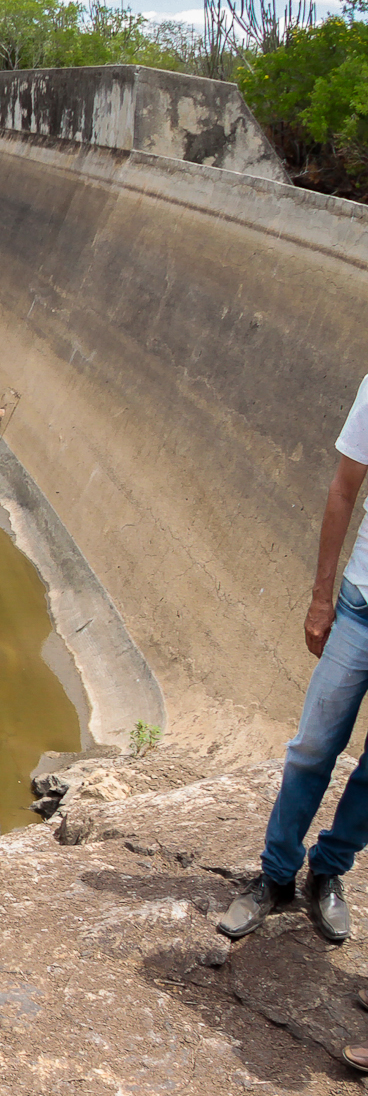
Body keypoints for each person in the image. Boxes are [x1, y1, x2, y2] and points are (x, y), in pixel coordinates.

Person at [219, 372, 368, 946]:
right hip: (360, 605)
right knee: (312, 748)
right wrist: (321, 597)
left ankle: (328, 870)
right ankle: (276, 875)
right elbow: (344, 490)